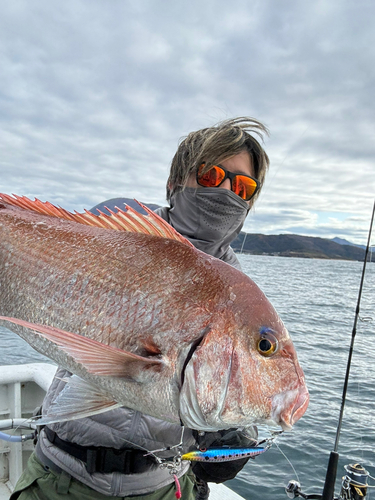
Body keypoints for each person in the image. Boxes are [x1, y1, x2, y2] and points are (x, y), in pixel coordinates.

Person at [11, 116, 269, 500]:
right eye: (212, 177)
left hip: (159, 487)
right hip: (58, 475)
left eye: (243, 187)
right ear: (174, 183)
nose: (228, 193)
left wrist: (228, 428)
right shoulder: (118, 236)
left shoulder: (238, 298)